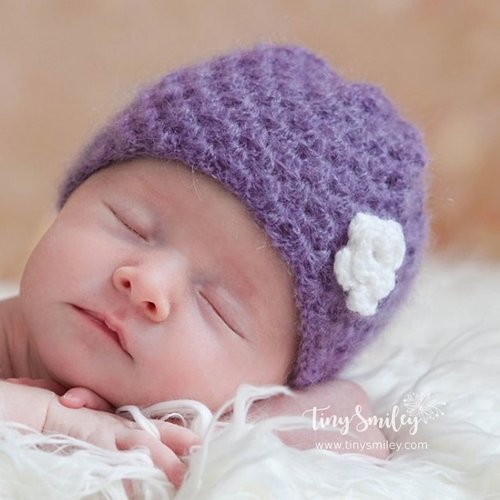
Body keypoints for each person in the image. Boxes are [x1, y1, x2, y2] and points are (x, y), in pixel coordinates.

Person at [0, 44, 427, 488]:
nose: (148, 281)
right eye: (131, 225)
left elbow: (354, 425)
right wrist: (48, 420)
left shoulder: (204, 420)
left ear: (280, 378)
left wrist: (220, 429)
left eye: (216, 305)